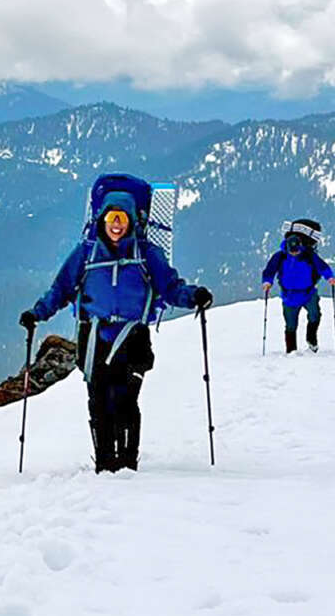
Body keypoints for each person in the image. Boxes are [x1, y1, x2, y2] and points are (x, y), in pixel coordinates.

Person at [20, 188, 210, 472]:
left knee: (126, 400)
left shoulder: (147, 254)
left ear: (132, 220)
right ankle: (105, 463)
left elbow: (170, 287)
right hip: (94, 337)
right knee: (98, 401)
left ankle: (126, 464)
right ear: (102, 220)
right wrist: (37, 313)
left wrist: (194, 296)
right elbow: (61, 289)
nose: (117, 224)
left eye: (122, 218)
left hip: (133, 338)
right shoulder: (86, 252)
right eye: (112, 218)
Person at [261, 225, 334, 353]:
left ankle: (311, 340)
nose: (295, 253)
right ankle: (291, 351)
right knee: (291, 325)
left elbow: (322, 266)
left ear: (301, 246)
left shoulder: (309, 255)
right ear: (287, 248)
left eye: (297, 250)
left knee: (315, 316)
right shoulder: (280, 256)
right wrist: (267, 282)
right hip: (289, 295)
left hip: (308, 293)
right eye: (292, 251)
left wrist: (330, 277)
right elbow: (269, 270)